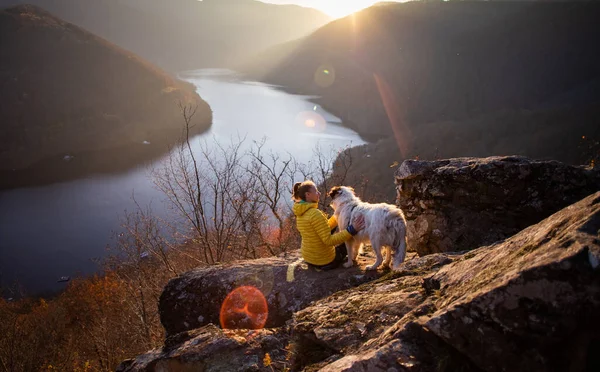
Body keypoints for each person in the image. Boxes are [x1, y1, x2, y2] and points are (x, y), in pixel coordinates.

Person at [292, 180, 365, 270]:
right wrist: (352, 229)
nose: (319, 193)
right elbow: (329, 241)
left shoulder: (300, 213)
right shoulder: (315, 214)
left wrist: (337, 216)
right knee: (348, 242)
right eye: (316, 191)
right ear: (308, 195)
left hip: (309, 257)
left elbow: (323, 228)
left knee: (342, 236)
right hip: (325, 260)